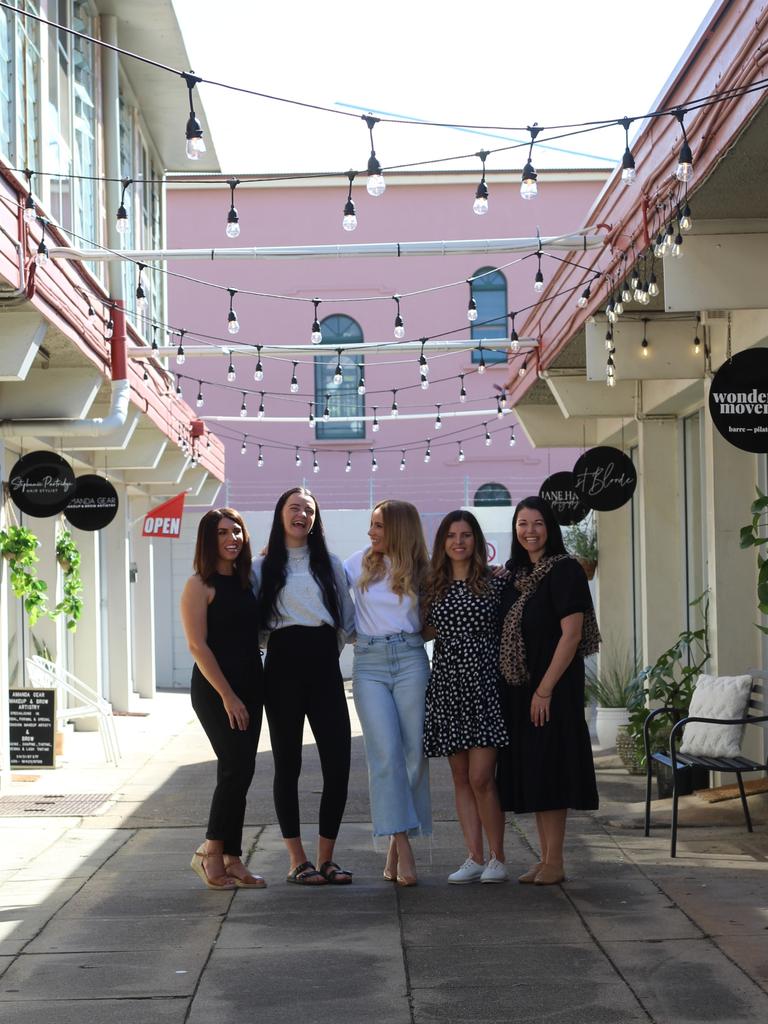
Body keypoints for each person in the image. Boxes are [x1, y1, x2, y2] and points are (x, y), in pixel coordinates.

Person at [253, 487, 356, 886]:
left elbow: (347, 619)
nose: (302, 515)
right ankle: (297, 860)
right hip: (281, 667)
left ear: (316, 520)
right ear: (281, 515)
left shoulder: (329, 563)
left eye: (309, 510)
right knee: (288, 765)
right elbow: (255, 624)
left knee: (339, 764)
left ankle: (326, 858)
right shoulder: (262, 568)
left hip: (324, 665)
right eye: (295, 508)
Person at [496, 496, 601, 886]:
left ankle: (555, 860)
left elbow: (571, 636)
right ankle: (545, 858)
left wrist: (544, 690)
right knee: (537, 771)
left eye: (537, 523)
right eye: (522, 524)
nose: (529, 531)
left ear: (550, 528)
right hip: (522, 687)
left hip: (552, 688)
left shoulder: (566, 571)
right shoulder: (516, 575)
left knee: (552, 770)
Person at [344, 499, 431, 886]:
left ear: (398, 529)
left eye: (378, 525)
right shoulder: (356, 562)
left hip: (411, 658)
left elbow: (437, 615)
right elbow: (318, 584)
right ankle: (404, 845)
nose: (371, 532)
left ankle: (396, 845)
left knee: (415, 756)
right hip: (370, 664)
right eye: (371, 524)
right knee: (385, 755)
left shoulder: (423, 569)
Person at [422, 511, 510, 884]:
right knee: (459, 777)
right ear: (442, 542)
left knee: (481, 778)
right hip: (447, 686)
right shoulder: (433, 586)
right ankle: (473, 856)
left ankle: (498, 858)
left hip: (485, 686)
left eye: (466, 535)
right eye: (452, 535)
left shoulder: (494, 583)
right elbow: (423, 631)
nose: (459, 541)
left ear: (476, 541)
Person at [181, 508, 265, 890]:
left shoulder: (248, 581)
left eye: (237, 531)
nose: (232, 538)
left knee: (243, 769)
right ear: (207, 540)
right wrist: (229, 696)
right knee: (233, 766)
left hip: (252, 684)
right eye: (222, 533)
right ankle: (210, 852)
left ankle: (233, 857)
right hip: (217, 690)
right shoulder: (200, 585)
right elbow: (198, 646)